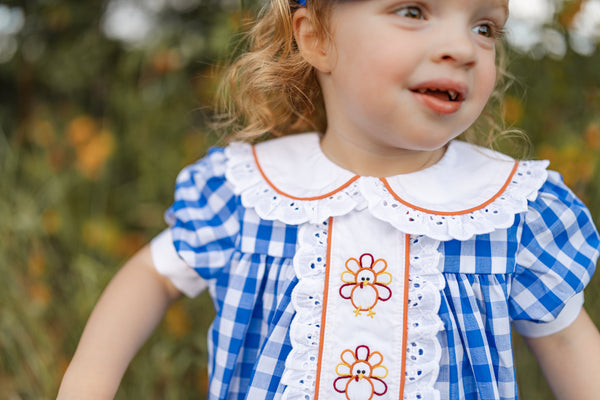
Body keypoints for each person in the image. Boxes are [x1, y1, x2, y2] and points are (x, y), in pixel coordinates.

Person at [57, 0, 600, 399]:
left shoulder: (505, 209)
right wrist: (88, 382)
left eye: (484, 27)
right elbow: (154, 273)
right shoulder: (255, 192)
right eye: (412, 11)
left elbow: (569, 345)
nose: (462, 48)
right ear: (315, 37)